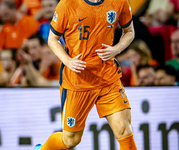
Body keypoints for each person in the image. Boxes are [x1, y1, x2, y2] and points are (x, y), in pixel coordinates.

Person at [34, 0, 137, 150]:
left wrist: (116, 49)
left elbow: (130, 31)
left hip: (108, 78)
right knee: (71, 140)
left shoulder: (118, 2)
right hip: (78, 81)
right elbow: (52, 39)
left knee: (124, 130)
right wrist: (68, 60)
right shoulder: (67, 4)